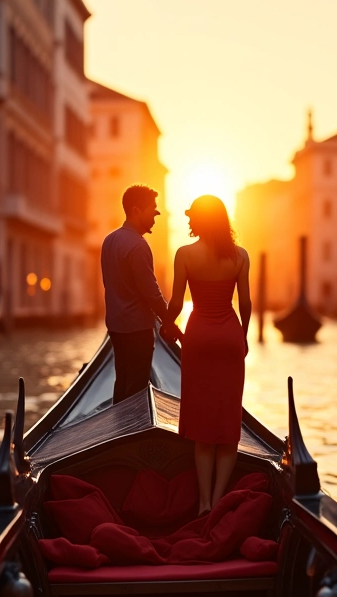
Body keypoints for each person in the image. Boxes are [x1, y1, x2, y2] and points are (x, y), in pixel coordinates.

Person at [162, 195, 251, 515]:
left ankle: (203, 503)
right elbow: (245, 304)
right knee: (227, 425)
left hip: (198, 338)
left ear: (202, 220)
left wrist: (167, 324)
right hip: (229, 338)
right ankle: (218, 500)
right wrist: (243, 336)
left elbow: (176, 303)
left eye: (192, 216)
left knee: (202, 426)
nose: (188, 220)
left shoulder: (185, 254)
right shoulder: (240, 255)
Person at [101, 184, 171, 404]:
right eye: (152, 211)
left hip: (116, 326)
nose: (155, 216)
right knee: (137, 388)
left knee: (122, 381)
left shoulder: (109, 241)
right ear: (136, 210)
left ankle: (119, 422)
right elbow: (151, 292)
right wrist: (170, 321)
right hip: (137, 328)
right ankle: (131, 424)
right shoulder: (139, 246)